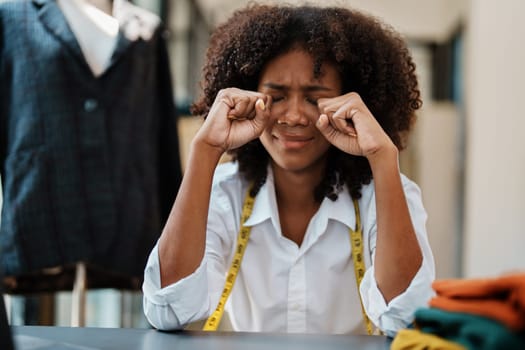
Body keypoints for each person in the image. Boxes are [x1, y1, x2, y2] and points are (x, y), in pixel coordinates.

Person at [142, 4, 435, 336]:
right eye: (276, 96)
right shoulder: (222, 194)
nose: (294, 116)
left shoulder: (387, 195)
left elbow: (405, 319)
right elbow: (167, 311)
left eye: (314, 98)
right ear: (249, 96)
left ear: (354, 104)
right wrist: (204, 151)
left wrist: (383, 158)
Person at [0, 0, 181, 296]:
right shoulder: (14, 17)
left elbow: (163, 141)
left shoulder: (146, 29)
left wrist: (173, 241)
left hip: (128, 219)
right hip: (40, 211)